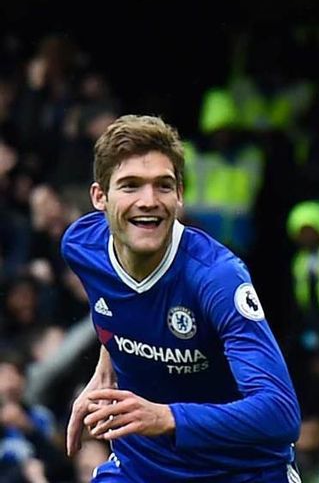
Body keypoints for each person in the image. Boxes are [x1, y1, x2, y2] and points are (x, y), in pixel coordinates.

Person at [60, 115, 302, 482]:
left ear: (180, 195)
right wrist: (106, 364)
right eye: (130, 186)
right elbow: (118, 303)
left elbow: (280, 413)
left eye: (163, 186)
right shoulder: (81, 246)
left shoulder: (216, 277)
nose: (148, 201)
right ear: (100, 197)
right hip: (144, 467)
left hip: (239, 471)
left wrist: (166, 417)